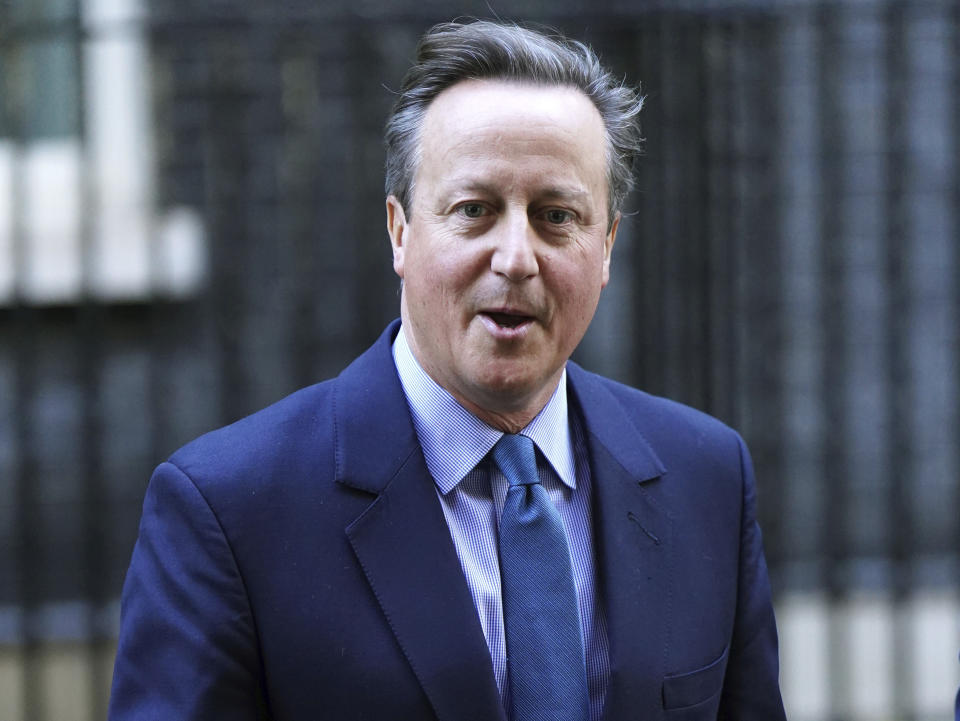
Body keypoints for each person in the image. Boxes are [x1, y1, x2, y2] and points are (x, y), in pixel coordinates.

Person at [108, 19, 786, 721]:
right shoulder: (228, 510)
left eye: (556, 215)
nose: (517, 256)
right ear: (401, 230)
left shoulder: (706, 476)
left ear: (607, 243)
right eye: (475, 209)